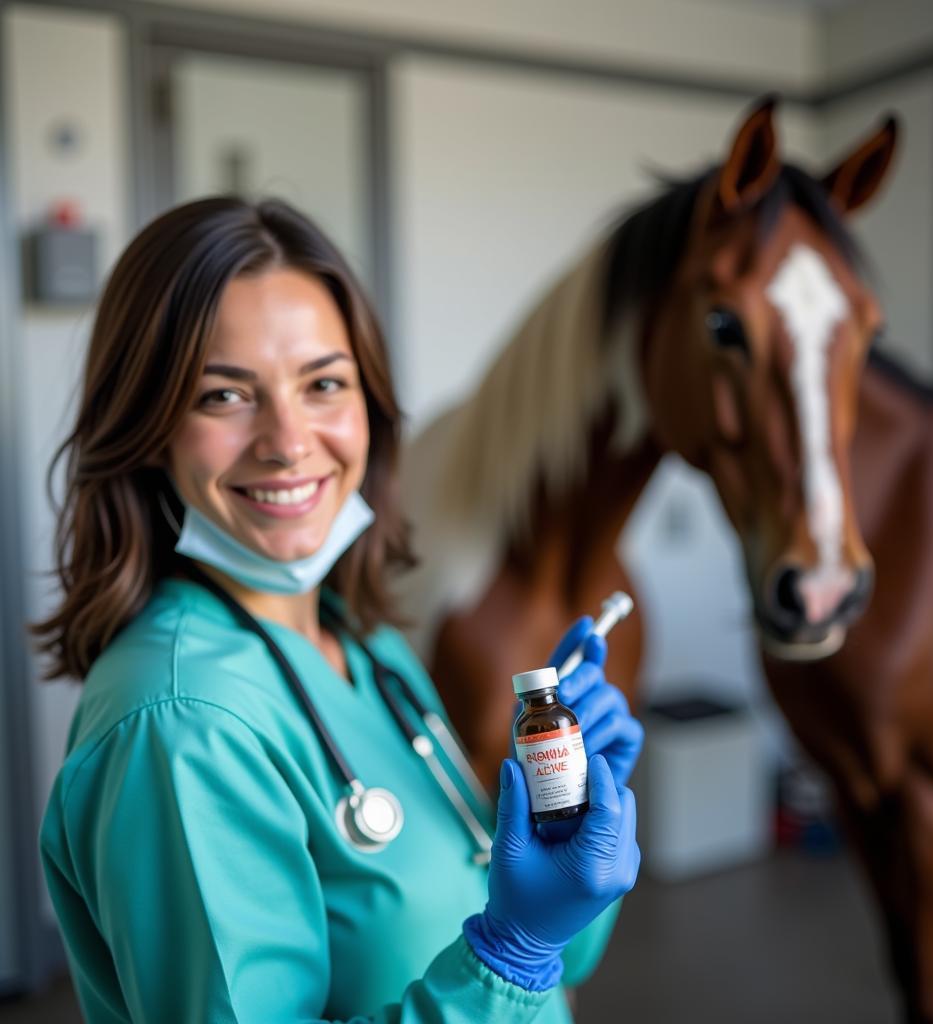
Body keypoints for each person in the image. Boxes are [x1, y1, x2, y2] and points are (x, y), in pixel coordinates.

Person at [35, 197, 644, 1023]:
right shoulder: (180, 726)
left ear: (371, 408)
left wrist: (562, 825)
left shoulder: (368, 647)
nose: (288, 441)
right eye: (222, 396)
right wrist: (508, 953)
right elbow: (524, 963)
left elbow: (563, 960)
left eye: (323, 383)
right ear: (148, 428)